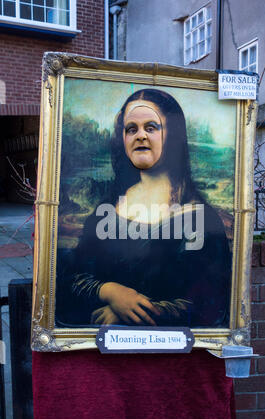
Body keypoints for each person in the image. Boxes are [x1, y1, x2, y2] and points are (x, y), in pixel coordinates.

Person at [56, 88, 232, 328]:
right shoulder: (107, 208)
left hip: (173, 358)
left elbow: (208, 303)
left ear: (173, 136)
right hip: (104, 354)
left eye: (151, 127)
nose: (140, 136)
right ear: (123, 139)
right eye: (131, 129)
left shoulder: (200, 217)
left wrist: (131, 312)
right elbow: (72, 278)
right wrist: (110, 292)